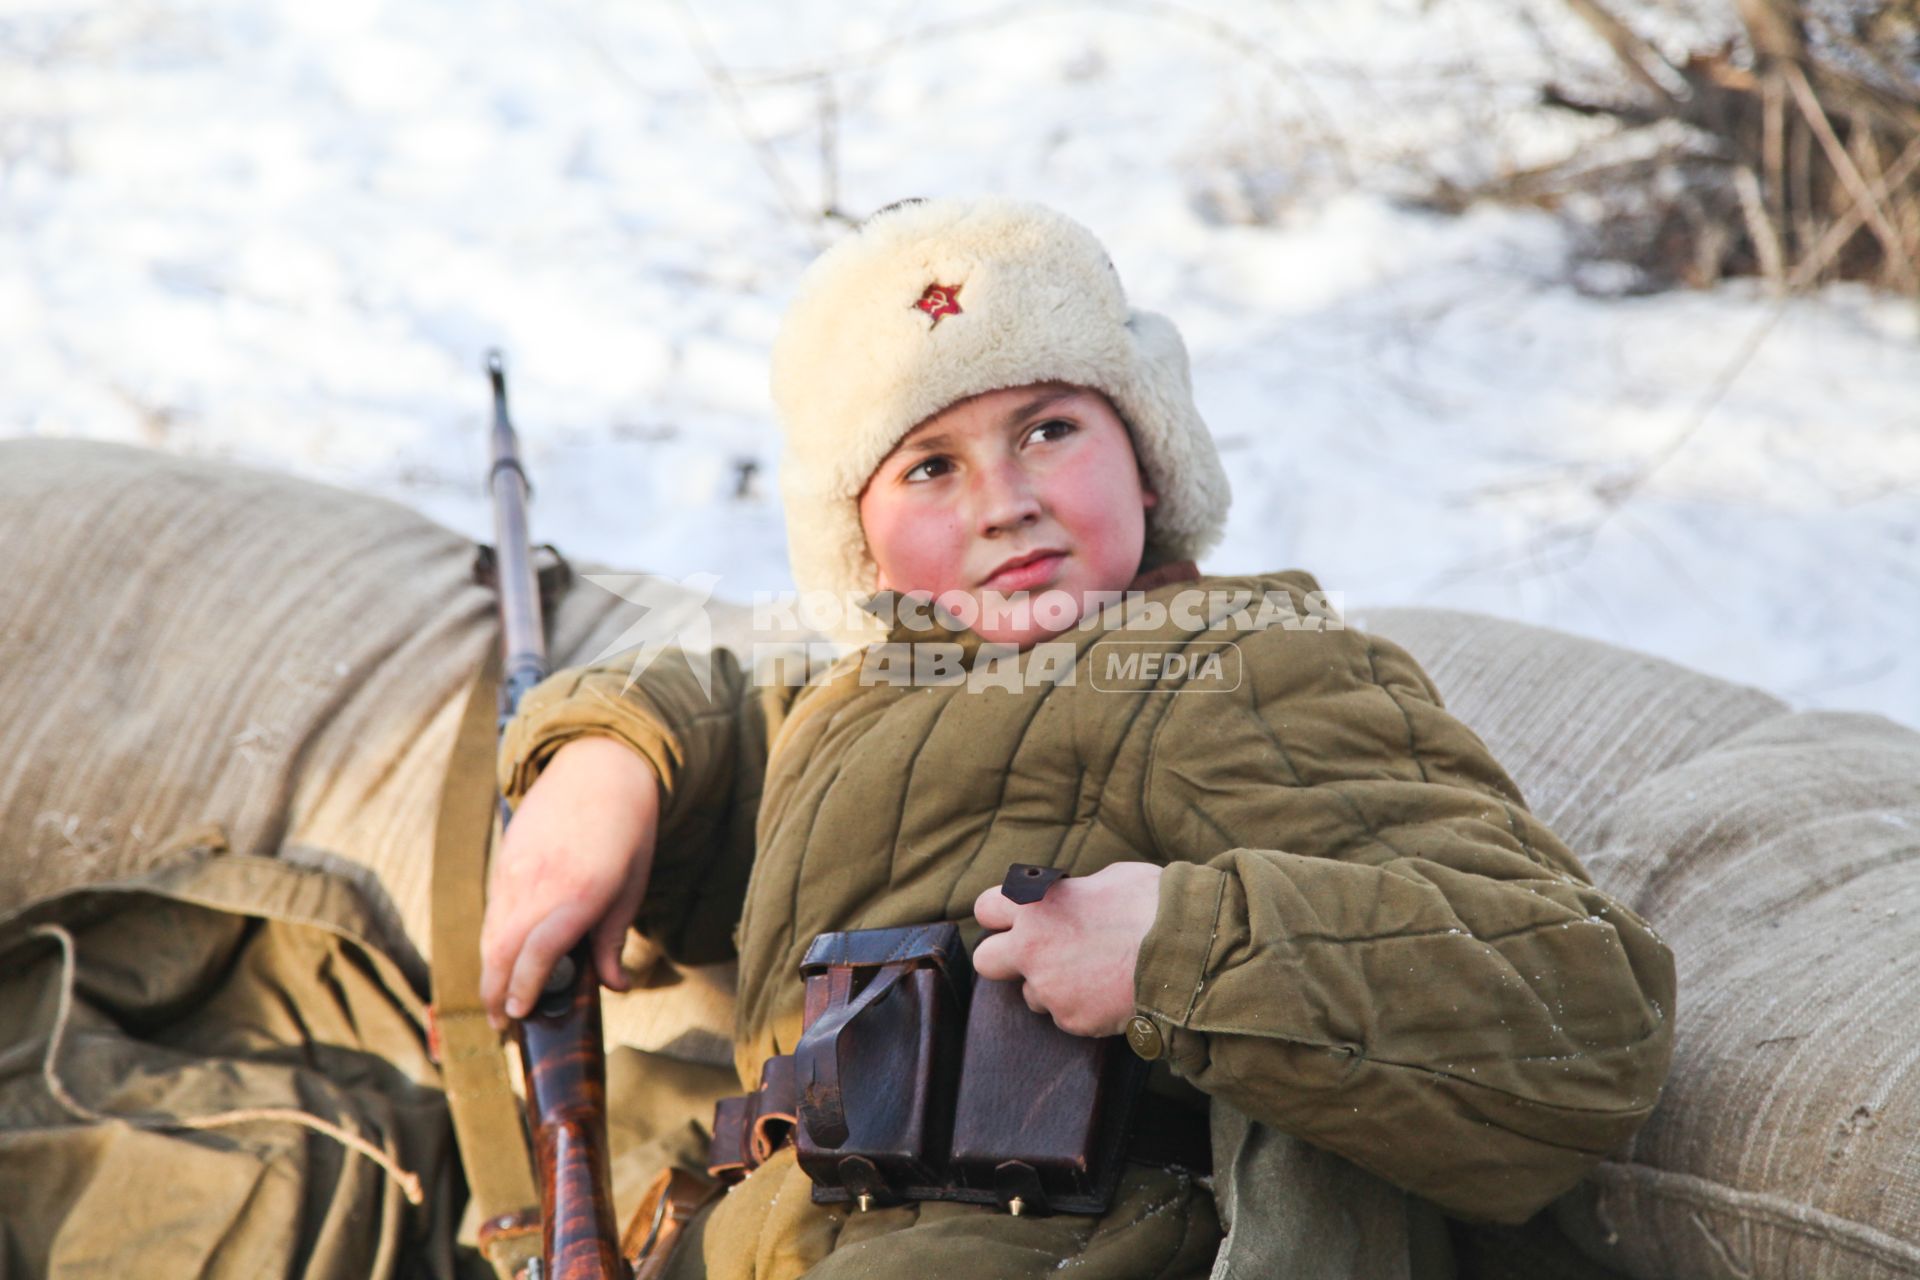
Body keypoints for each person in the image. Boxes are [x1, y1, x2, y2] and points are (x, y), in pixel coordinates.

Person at [477, 196, 1676, 1280]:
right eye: (930, 464)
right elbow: (742, 709)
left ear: (1149, 456)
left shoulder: (1235, 662)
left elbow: (1585, 1004)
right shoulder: (867, 697)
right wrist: (609, 754)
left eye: (1048, 428)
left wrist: (1178, 944)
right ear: (861, 543)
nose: (1004, 501)